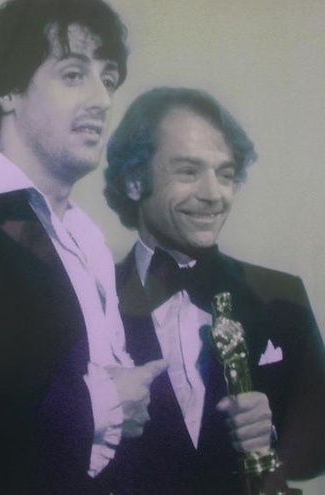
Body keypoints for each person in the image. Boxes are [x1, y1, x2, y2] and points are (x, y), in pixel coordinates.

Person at [0, 2, 167, 494]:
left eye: (108, 79)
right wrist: (100, 405)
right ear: (8, 90)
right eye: (74, 74)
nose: (102, 99)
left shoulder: (87, 239)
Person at [103, 87, 325, 494]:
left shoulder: (281, 296)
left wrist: (271, 438)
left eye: (225, 174)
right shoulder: (90, 300)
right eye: (189, 171)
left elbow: (319, 452)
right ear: (134, 181)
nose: (213, 195)